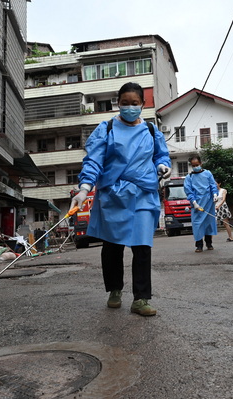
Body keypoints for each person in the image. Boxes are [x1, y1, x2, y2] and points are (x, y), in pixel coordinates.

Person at [70, 82, 171, 317]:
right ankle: (115, 290)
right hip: (114, 195)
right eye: (125, 103)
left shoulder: (151, 130)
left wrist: (163, 165)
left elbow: (160, 154)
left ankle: (141, 298)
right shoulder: (105, 129)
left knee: (142, 246)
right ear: (118, 103)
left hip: (144, 193)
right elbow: (93, 161)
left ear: (142, 105)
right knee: (113, 246)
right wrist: (83, 190)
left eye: (134, 104)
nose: (129, 108)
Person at [184, 155, 219, 252]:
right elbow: (188, 190)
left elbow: (213, 185)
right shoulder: (189, 177)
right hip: (197, 204)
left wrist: (215, 194)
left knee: (208, 224)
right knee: (197, 224)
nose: (195, 167)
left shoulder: (207, 173)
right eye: (193, 165)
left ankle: (209, 243)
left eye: (197, 165)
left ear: (201, 164)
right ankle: (199, 245)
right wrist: (194, 202)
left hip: (208, 202)